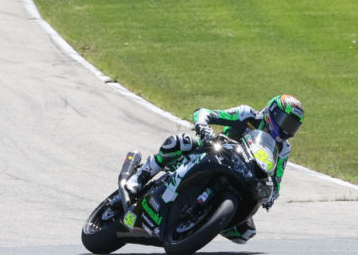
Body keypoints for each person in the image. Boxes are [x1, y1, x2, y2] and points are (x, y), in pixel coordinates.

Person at [125, 94, 305, 244]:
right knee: (181, 142)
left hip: (242, 176)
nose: (287, 130)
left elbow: (277, 177)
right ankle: (141, 175)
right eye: (286, 122)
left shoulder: (284, 149)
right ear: (271, 113)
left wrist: (271, 196)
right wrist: (204, 127)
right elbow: (204, 113)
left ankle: (202, 218)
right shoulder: (247, 115)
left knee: (245, 233)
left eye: (293, 127)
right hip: (213, 154)